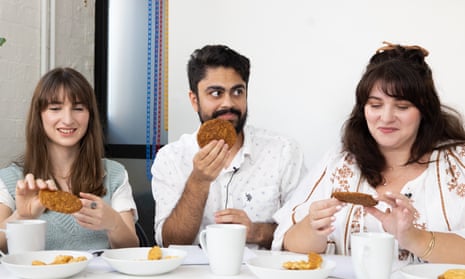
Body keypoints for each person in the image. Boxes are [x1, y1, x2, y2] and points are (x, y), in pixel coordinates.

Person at [272, 42, 465, 264]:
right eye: (375, 105)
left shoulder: (458, 163)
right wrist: (314, 229)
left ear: (424, 110)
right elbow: (286, 244)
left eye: (402, 107)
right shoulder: (340, 162)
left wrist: (413, 238)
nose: (386, 117)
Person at [151, 44, 307, 249]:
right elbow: (170, 242)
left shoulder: (283, 152)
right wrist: (198, 181)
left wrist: (256, 232)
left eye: (237, 92)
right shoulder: (171, 158)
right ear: (194, 100)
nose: (228, 103)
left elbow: (305, 230)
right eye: (216, 93)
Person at [0, 67, 139, 252]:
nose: (68, 120)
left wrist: (113, 222)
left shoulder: (114, 174)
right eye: (55, 108)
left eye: (78, 108)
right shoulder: (11, 179)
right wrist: (22, 217)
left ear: (90, 115)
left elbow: (132, 249)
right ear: (39, 115)